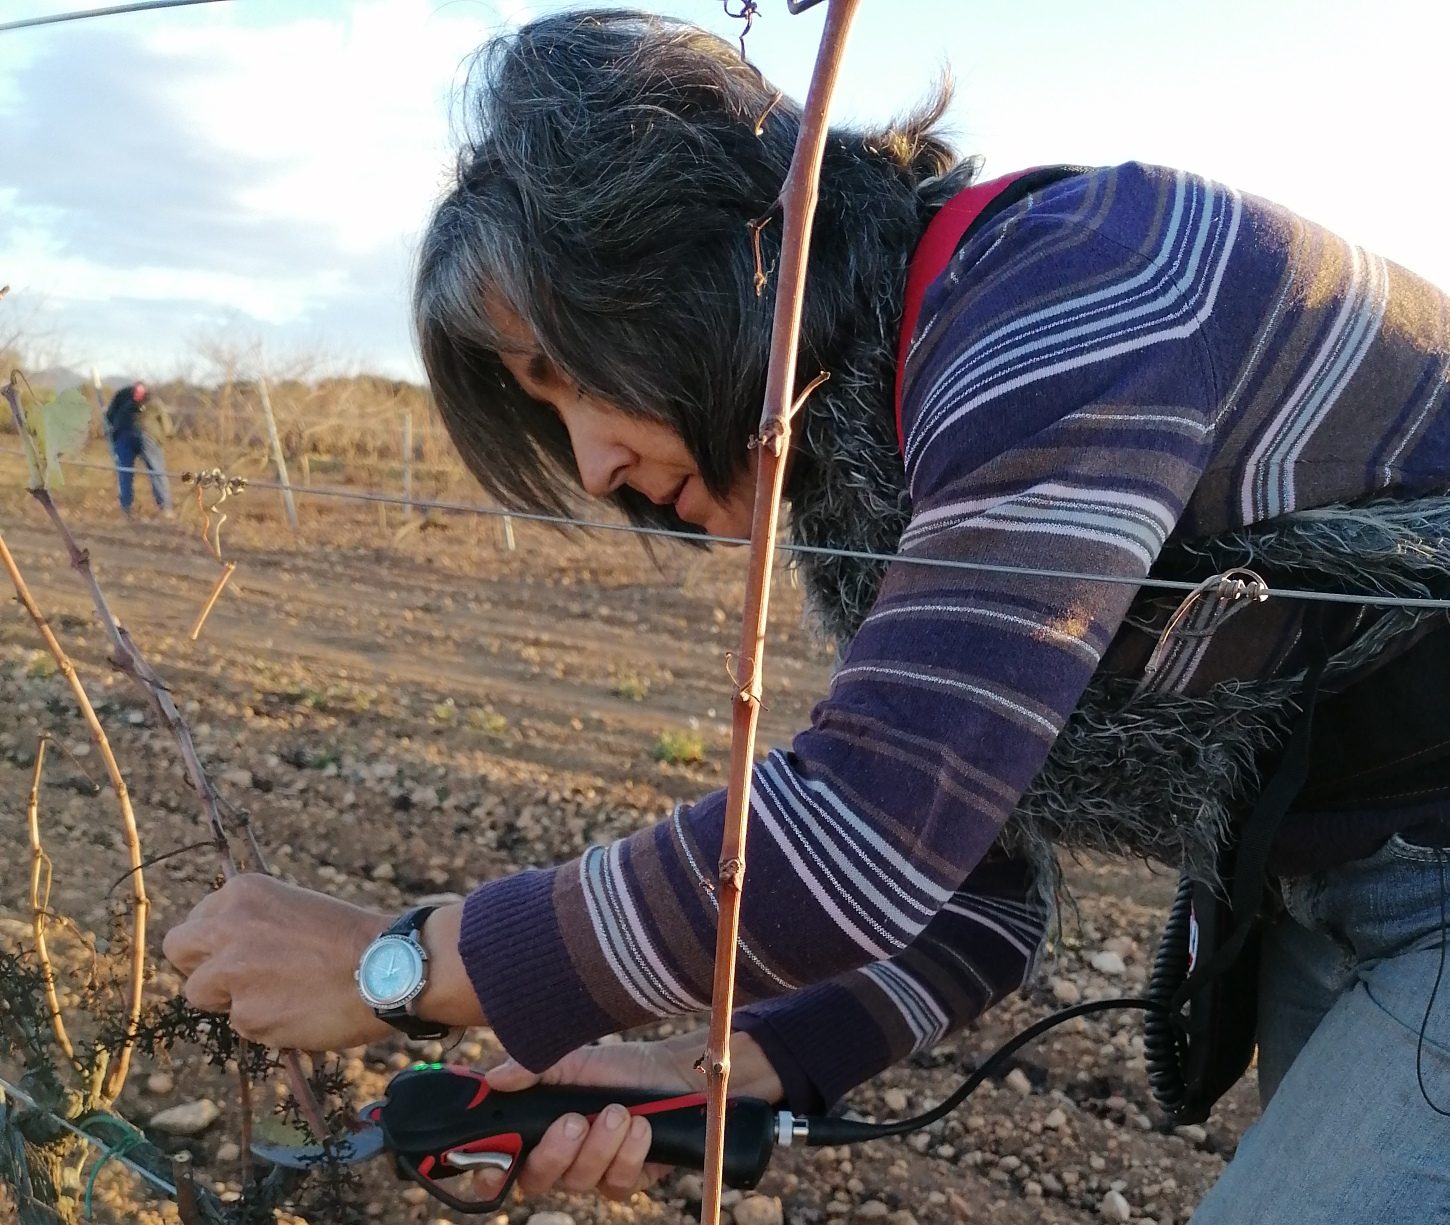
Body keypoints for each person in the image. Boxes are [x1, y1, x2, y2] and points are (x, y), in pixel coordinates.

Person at [163, 11, 1450, 1220]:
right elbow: (974, 890)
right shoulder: (884, 442)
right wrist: (730, 1064)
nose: (594, 466)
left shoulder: (1077, 292)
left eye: (569, 378)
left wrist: (392, 968)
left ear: (700, 265)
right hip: (1336, 876)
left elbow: (865, 834)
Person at [105, 380, 173, 515]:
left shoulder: (124, 397)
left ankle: (126, 507)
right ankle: (164, 508)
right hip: (143, 436)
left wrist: (116, 430)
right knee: (155, 471)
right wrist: (163, 438)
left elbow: (109, 416)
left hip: (129, 435)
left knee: (125, 472)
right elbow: (167, 425)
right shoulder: (154, 401)